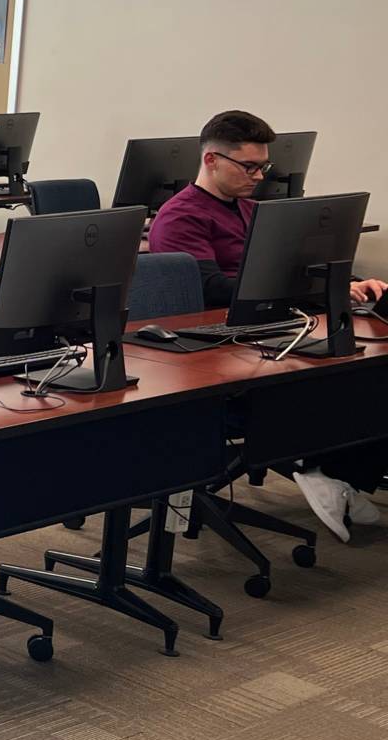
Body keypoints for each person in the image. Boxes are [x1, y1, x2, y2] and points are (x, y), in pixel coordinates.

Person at [147, 109, 386, 539]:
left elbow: (298, 265)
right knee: (351, 374)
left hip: (270, 326)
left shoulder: (252, 210)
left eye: (264, 166)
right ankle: (315, 465)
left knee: (375, 361)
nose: (259, 175)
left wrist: (348, 282)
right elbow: (211, 288)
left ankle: (335, 468)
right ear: (212, 160)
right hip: (220, 346)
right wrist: (308, 288)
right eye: (249, 166)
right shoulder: (181, 216)